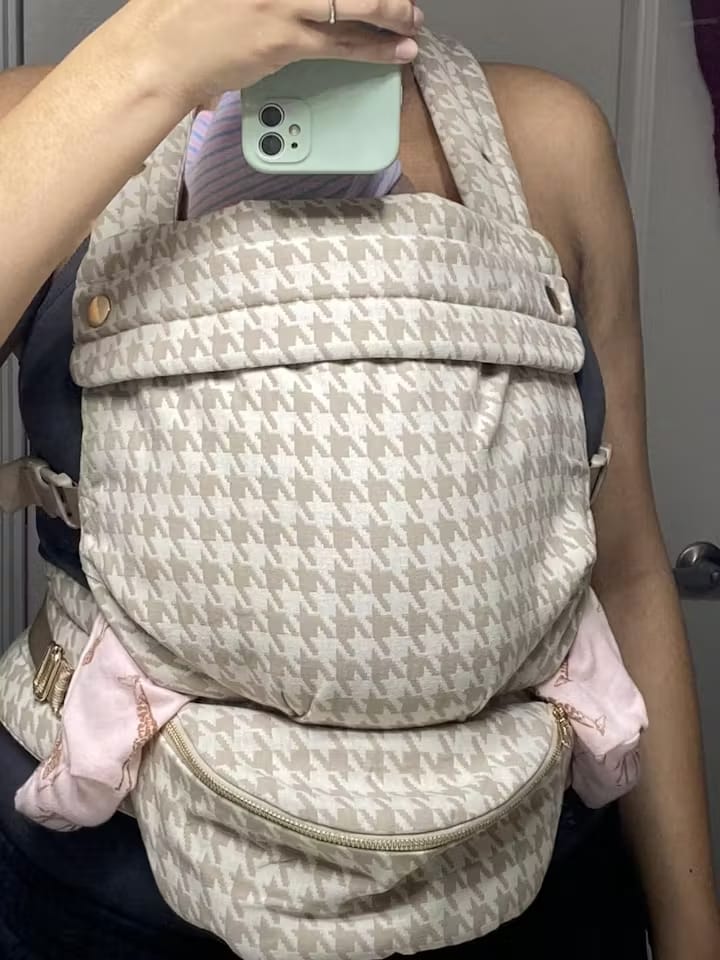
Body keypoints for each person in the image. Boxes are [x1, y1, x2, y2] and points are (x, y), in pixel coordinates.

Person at [0, 2, 718, 958]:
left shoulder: (552, 137)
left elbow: (625, 571)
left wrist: (693, 933)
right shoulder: (41, 118)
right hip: (114, 900)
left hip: (535, 889)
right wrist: (154, 59)